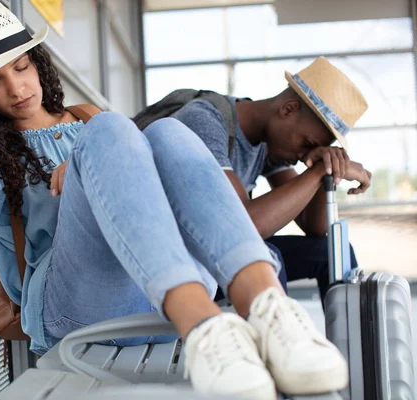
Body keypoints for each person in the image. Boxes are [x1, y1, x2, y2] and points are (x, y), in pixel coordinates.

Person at [0, 1, 348, 398]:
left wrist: (91, 161)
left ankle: (265, 304)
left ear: (38, 63)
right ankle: (204, 325)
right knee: (112, 129)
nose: (17, 88)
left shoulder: (85, 117)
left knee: (168, 133)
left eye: (22, 66)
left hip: (153, 289)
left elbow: (140, 183)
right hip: (78, 306)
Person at [135, 58, 370, 304]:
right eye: (308, 144)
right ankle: (279, 340)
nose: (304, 157)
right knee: (269, 258)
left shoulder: (266, 143)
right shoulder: (205, 121)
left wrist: (329, 168)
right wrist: (315, 172)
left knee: (328, 253)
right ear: (288, 109)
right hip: (169, 266)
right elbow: (245, 226)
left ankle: (353, 341)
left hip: (209, 257)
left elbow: (314, 226)